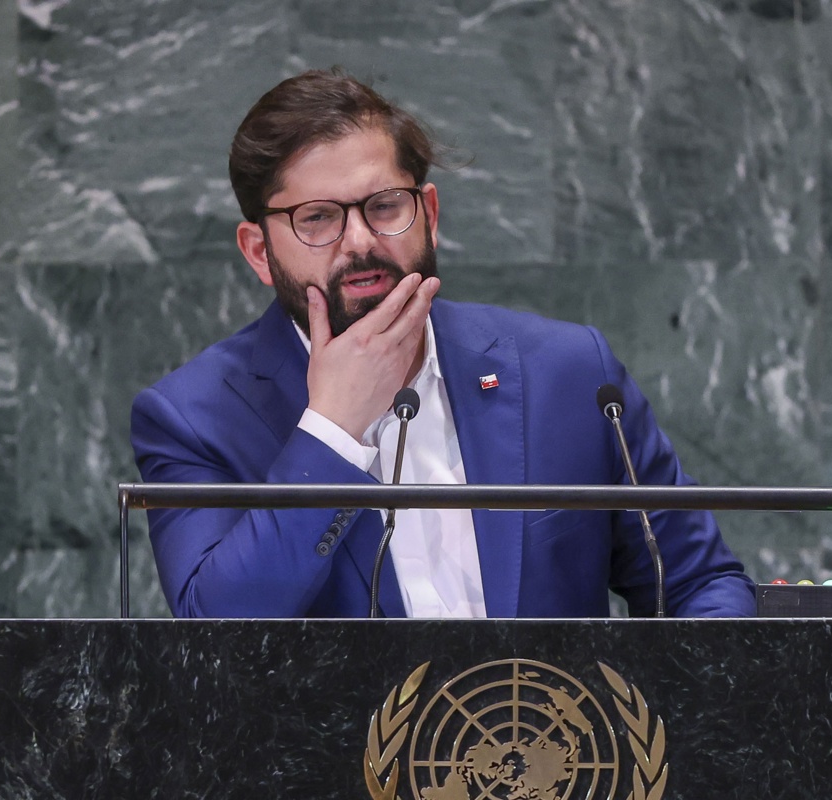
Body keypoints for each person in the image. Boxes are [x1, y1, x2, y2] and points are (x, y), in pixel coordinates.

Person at [131, 68, 755, 619]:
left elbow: (701, 585)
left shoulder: (564, 372)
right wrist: (333, 430)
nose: (359, 241)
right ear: (260, 253)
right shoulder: (192, 418)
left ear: (429, 211)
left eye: (383, 205)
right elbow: (216, 632)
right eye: (317, 217)